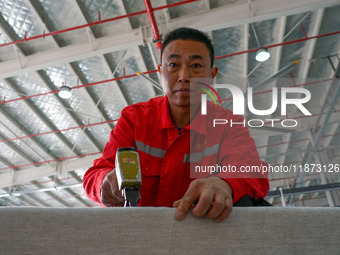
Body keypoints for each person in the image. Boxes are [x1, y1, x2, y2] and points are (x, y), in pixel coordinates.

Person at [83, 27, 269, 223]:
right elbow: (94, 175)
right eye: (173, 64)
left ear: (212, 75)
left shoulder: (228, 125)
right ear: (160, 71)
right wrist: (103, 182)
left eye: (196, 66)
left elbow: (252, 172)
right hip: (138, 236)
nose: (184, 76)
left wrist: (225, 184)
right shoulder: (134, 120)